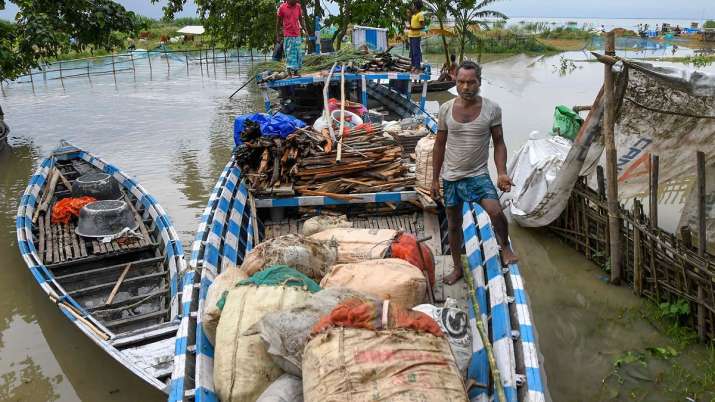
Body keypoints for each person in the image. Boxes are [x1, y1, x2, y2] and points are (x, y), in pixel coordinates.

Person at [431, 60, 518, 285]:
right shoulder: (446, 109)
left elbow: (499, 143)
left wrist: (501, 172)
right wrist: (434, 179)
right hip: (451, 177)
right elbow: (439, 145)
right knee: (452, 224)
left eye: (471, 82)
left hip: (478, 174)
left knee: (496, 212)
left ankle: (505, 246)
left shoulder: (492, 109)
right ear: (455, 81)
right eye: (461, 82)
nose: (466, 87)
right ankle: (457, 267)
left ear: (479, 82)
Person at [276, 0, 308, 76]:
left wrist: (305, 30)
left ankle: (296, 72)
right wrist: (278, 34)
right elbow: (278, 22)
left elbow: (301, 19)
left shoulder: (298, 6)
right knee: (289, 53)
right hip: (288, 35)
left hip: (297, 34)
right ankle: (289, 72)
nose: (295, 2)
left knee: (298, 53)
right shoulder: (282, 8)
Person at [406, 0, 426, 73]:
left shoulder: (420, 15)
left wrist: (412, 28)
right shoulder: (414, 15)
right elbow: (410, 24)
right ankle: (414, 66)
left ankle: (417, 67)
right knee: (412, 52)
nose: (412, 7)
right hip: (411, 35)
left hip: (416, 36)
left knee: (416, 52)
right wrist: (408, 16)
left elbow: (423, 26)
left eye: (413, 5)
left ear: (416, 7)